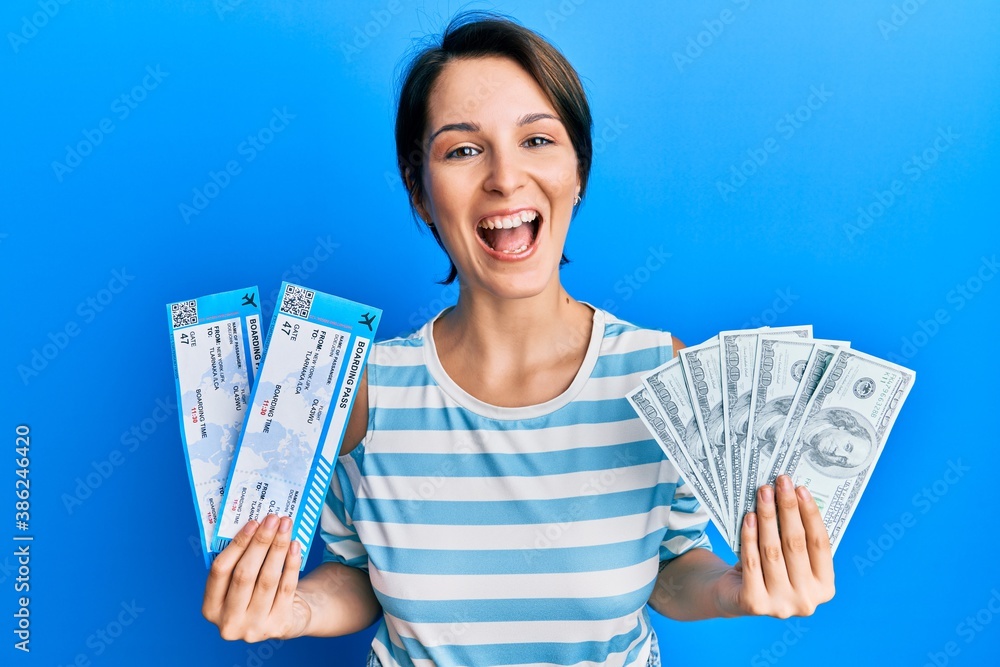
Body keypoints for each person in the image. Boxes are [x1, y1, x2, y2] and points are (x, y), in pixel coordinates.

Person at [201, 12, 835, 665]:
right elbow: (362, 574)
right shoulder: (363, 389)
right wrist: (298, 607)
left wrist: (731, 589)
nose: (505, 177)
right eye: (463, 150)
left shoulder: (661, 375)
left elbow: (669, 567)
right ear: (420, 191)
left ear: (578, 170)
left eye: (537, 139)